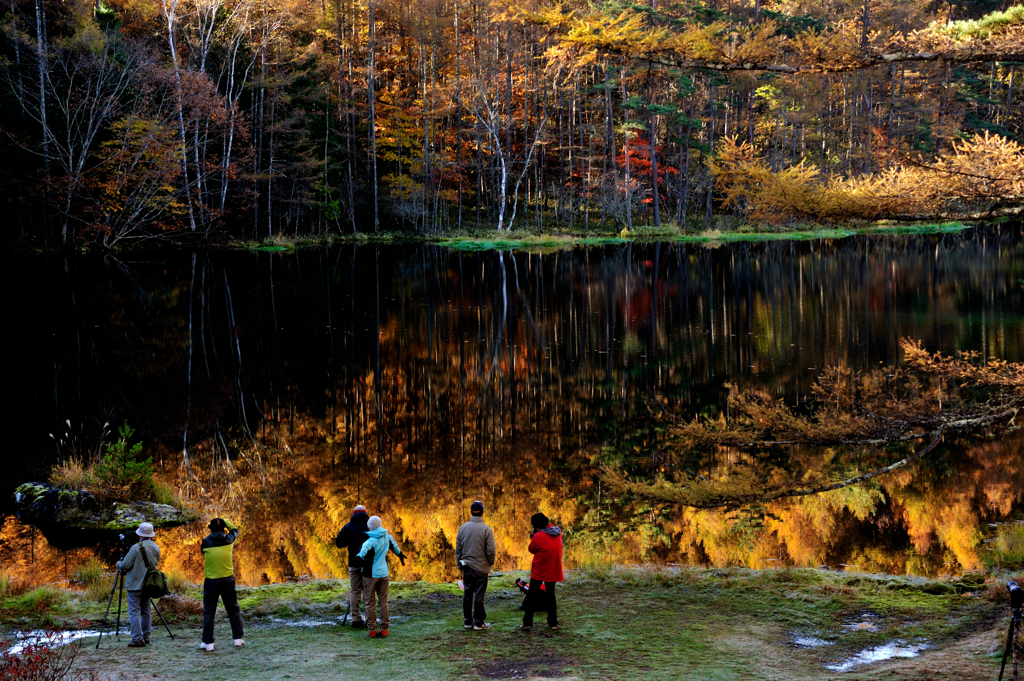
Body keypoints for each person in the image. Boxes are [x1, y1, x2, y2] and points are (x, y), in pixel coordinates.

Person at [356, 515, 406, 638]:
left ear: (370, 527)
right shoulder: (387, 537)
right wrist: (400, 555)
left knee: (369, 602)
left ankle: (372, 629)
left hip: (370, 575)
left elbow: (363, 550)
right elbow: (395, 547)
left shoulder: (371, 540)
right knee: (383, 602)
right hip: (384, 574)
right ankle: (384, 629)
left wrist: (359, 556)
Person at [199, 518, 244, 651]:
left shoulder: (206, 542)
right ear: (224, 528)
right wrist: (224, 520)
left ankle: (208, 643)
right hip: (227, 579)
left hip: (211, 580)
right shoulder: (230, 539)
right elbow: (235, 529)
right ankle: (238, 639)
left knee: (209, 611)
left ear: (211, 528)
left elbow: (203, 552)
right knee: (233, 609)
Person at [116, 522, 161, 648]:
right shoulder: (156, 547)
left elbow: (125, 565)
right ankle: (146, 636)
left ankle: (137, 639)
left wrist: (118, 564)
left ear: (140, 534)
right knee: (146, 610)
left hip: (135, 584)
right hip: (148, 584)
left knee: (134, 611)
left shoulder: (136, 547)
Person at [455, 500, 496, 631]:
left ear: (471, 512)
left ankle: (467, 622)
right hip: (481, 567)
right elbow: (491, 550)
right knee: (479, 595)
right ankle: (479, 622)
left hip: (467, 566)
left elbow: (458, 549)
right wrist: (490, 562)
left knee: (468, 594)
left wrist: (459, 564)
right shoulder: (486, 529)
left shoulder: (463, 527)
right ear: (482, 512)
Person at [520, 512, 563, 632]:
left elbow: (531, 549)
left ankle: (527, 622)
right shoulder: (557, 531)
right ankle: (553, 623)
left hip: (540, 568)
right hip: (554, 567)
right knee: (550, 595)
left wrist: (534, 536)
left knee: (532, 596)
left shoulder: (539, 536)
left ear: (535, 526)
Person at [335, 504, 371, 629]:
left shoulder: (348, 527)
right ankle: (369, 619)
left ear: (353, 513)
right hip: (368, 564)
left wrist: (349, 542)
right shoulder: (371, 526)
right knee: (368, 591)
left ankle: (356, 619)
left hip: (354, 564)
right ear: (366, 513)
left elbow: (338, 543)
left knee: (355, 590)